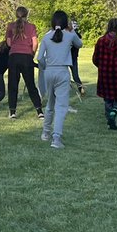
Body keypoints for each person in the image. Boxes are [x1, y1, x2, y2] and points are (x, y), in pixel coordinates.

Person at [37, 10, 83, 149]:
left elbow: (39, 58)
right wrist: (72, 29)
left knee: (50, 104)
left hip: (49, 71)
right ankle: (56, 138)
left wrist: (46, 67)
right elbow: (79, 44)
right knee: (61, 106)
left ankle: (45, 132)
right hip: (62, 71)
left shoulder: (46, 37)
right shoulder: (69, 36)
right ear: (65, 23)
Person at [91, 18, 117, 130]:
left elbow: (95, 58)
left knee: (108, 98)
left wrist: (101, 67)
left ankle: (110, 118)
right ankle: (115, 111)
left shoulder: (101, 41)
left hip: (104, 75)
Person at [4, 6, 43, 119]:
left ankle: (12, 112)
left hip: (14, 57)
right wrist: (31, 54)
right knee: (31, 85)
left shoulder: (10, 26)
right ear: (27, 15)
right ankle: (39, 111)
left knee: (13, 85)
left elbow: (9, 43)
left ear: (16, 15)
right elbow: (35, 43)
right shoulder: (31, 26)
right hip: (26, 57)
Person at [67, 16, 86, 101]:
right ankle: (80, 89)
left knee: (72, 76)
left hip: (70, 58)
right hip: (73, 58)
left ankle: (80, 89)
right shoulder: (76, 35)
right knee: (75, 76)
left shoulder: (72, 35)